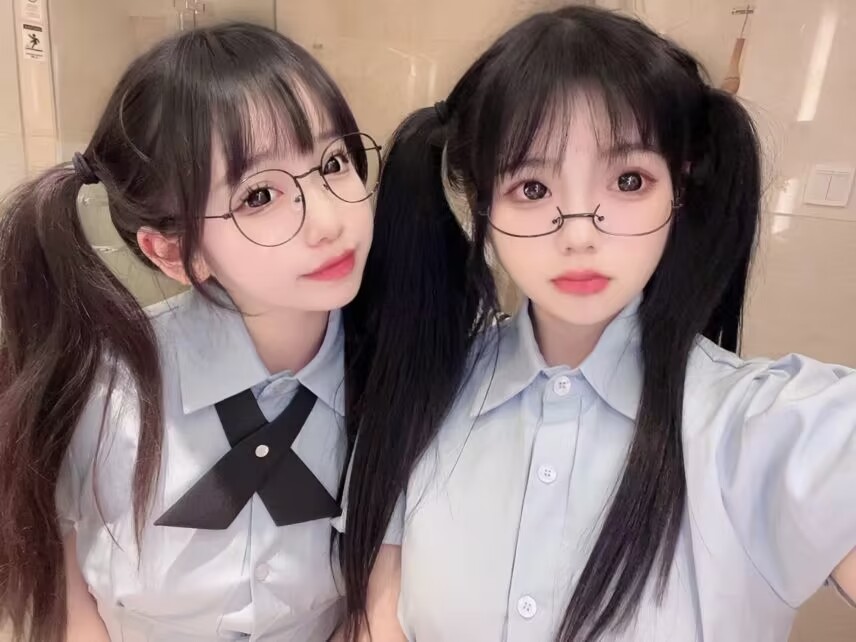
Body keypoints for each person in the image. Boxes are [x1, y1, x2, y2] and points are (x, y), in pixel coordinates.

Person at [338, 6, 856, 642]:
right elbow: (376, 621)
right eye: (532, 188)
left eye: (629, 180)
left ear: (680, 188)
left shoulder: (766, 425)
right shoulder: (422, 392)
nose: (580, 234)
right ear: (480, 202)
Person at [0, 23, 381, 642]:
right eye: (260, 195)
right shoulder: (102, 391)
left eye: (333, 163)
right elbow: (64, 595)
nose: (329, 220)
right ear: (174, 252)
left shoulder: (396, 377)